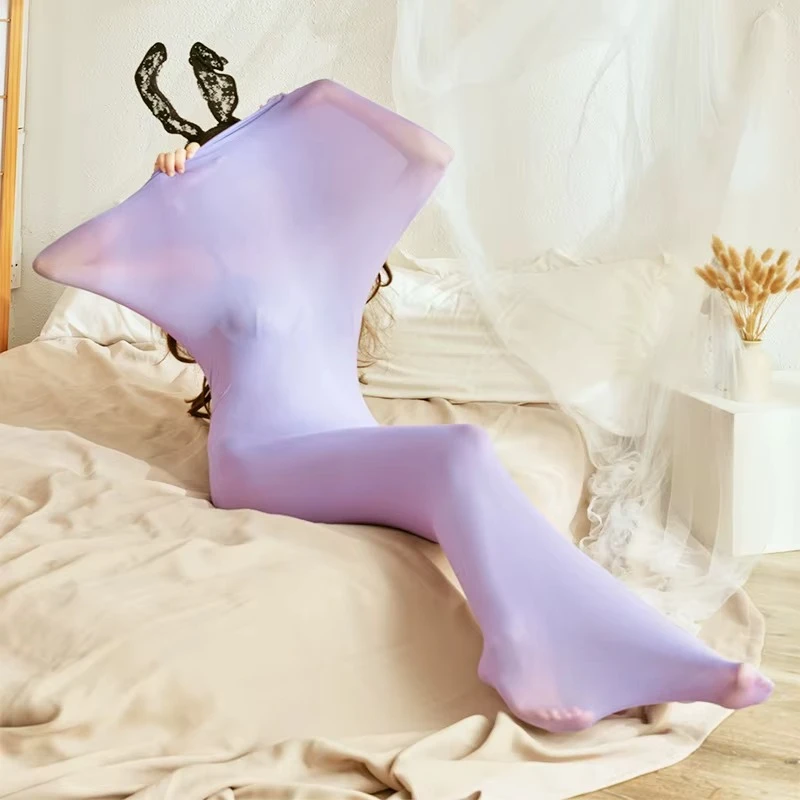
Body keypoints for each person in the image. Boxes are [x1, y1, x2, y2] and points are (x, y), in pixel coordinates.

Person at [36, 79, 773, 733]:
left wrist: (307, 101)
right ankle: (532, 650)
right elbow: (60, 260)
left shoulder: (341, 247)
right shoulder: (197, 272)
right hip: (256, 461)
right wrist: (160, 190)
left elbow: (426, 155)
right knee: (459, 450)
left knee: (470, 479)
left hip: (342, 441)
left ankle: (631, 646)